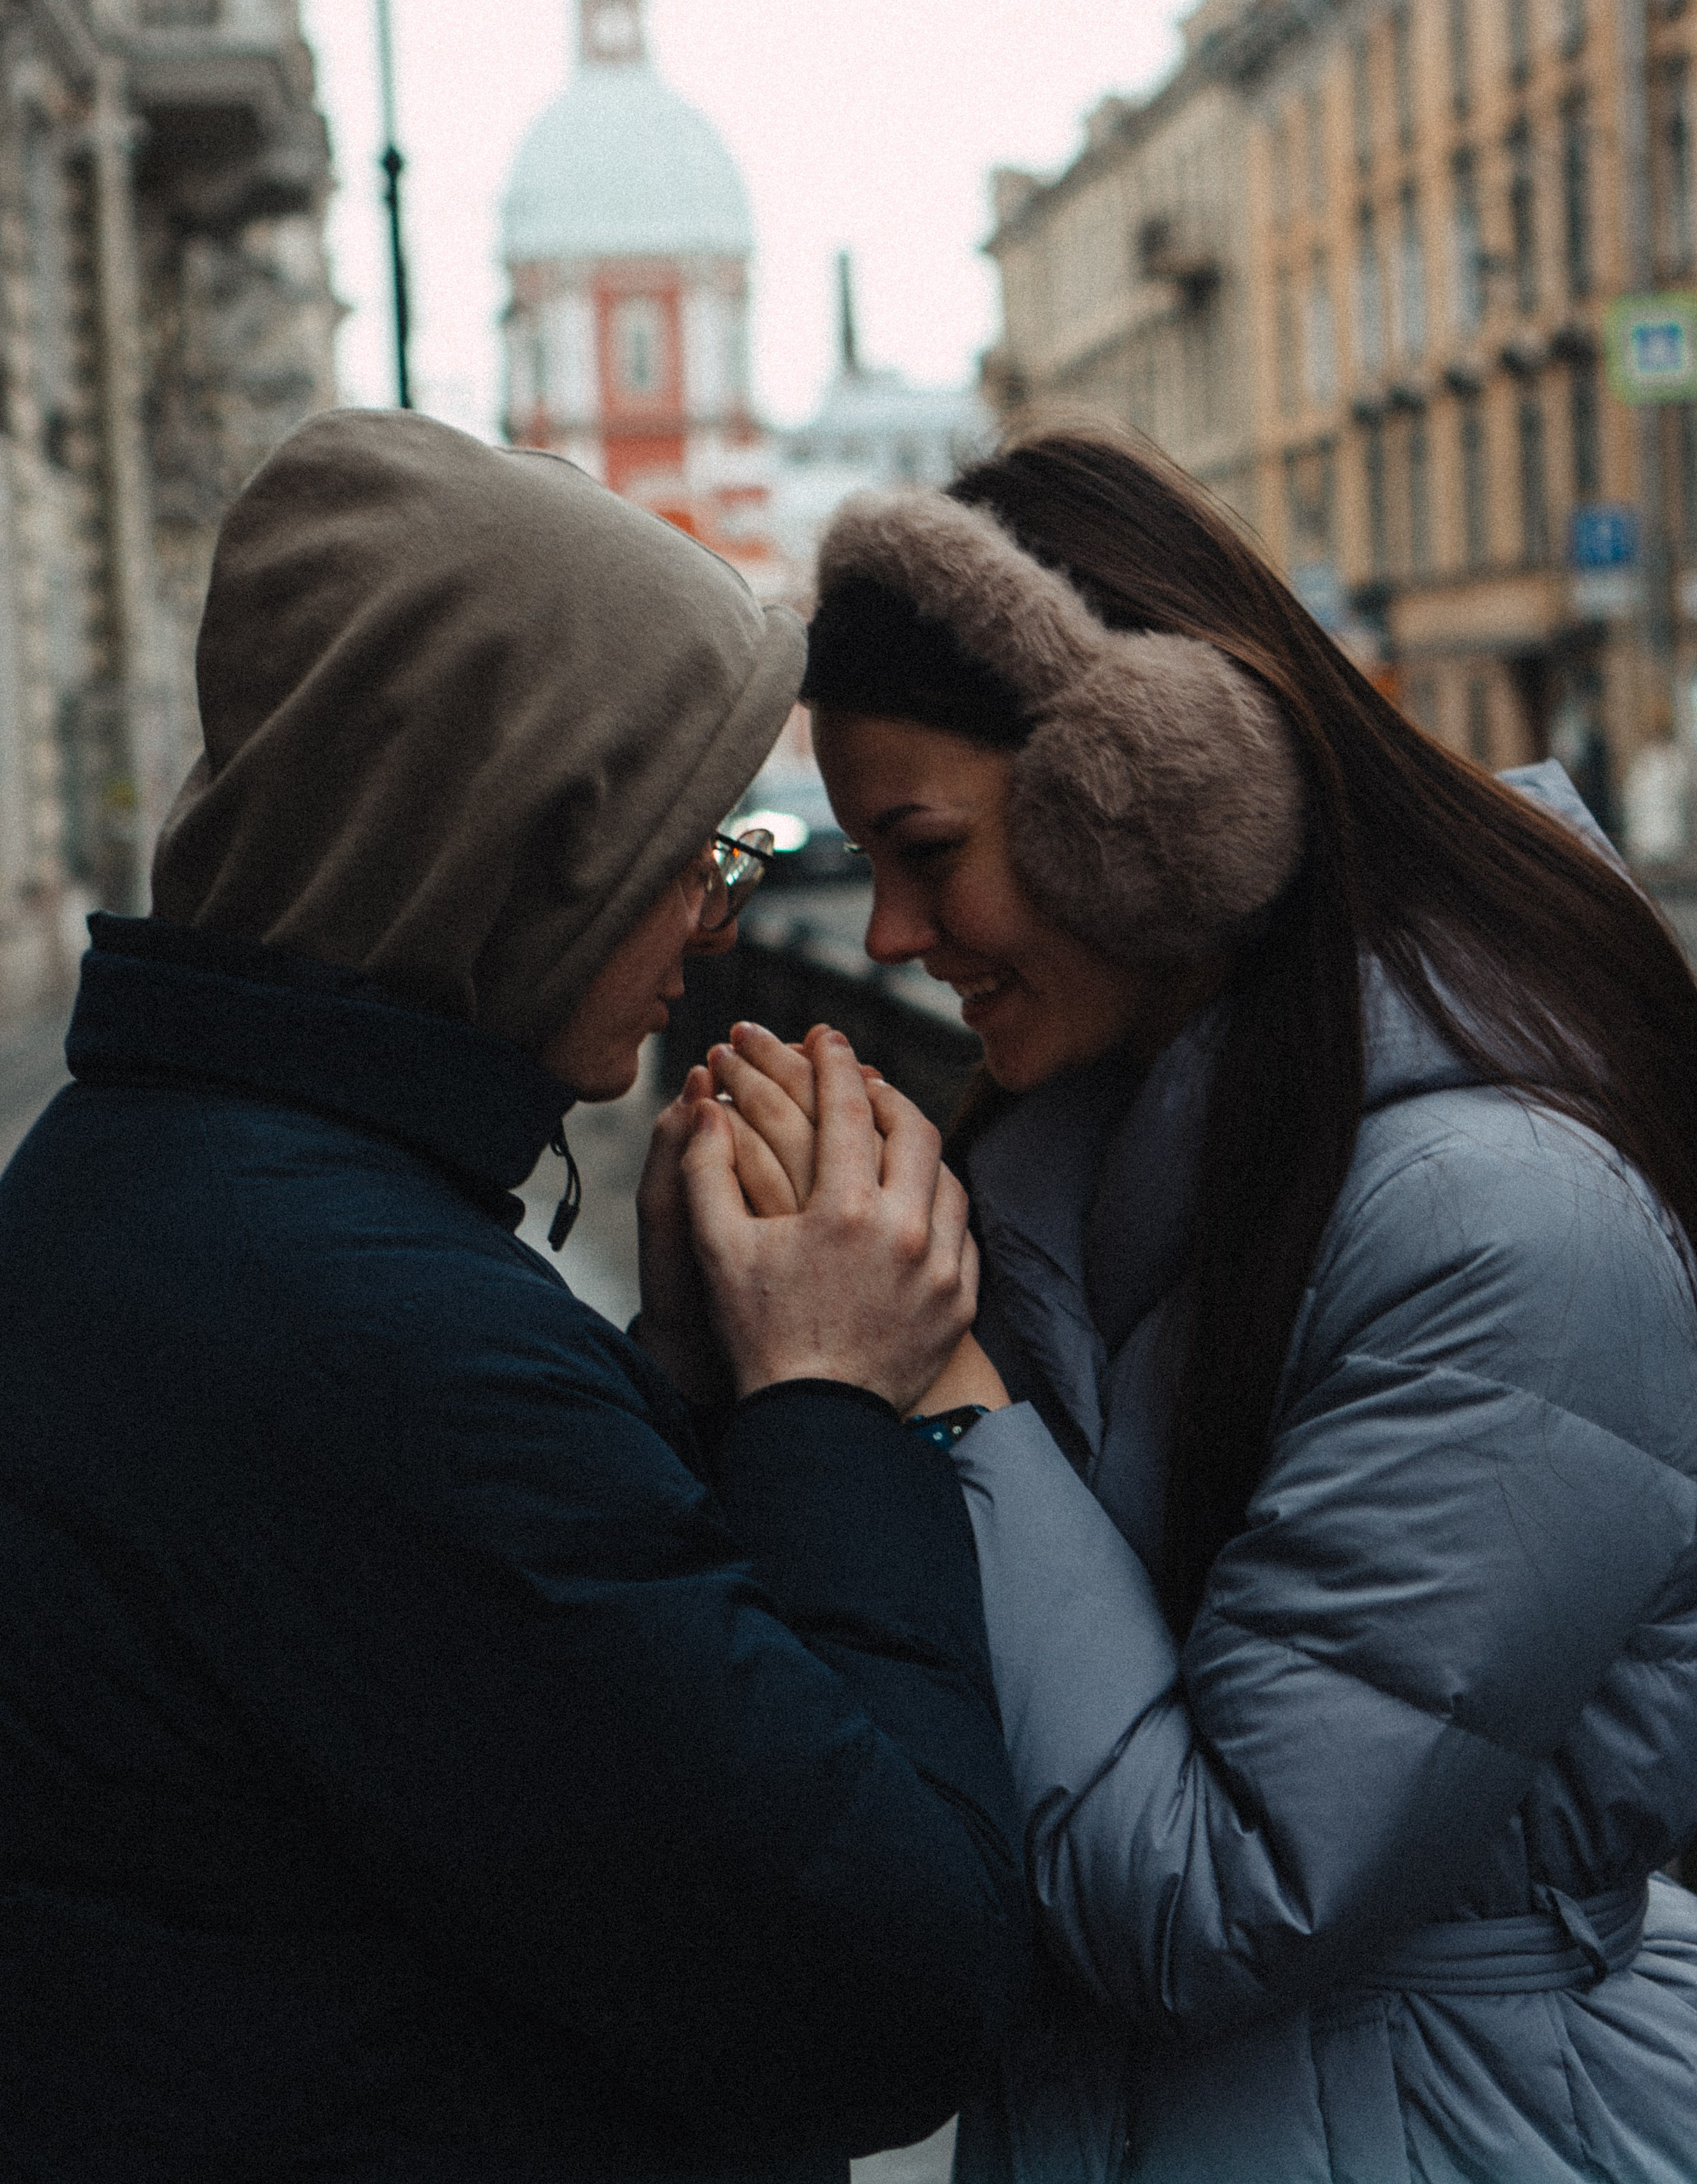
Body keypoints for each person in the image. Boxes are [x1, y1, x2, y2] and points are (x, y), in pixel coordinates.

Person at [707, 430, 1697, 2183]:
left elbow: (1216, 1901)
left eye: (924, 851)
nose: (890, 936)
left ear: (1144, 792)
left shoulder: (1508, 1234)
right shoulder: (1107, 1136)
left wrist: (928, 1381)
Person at [0, 411, 1028, 2184]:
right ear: (526, 846)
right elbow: (882, 1991)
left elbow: (506, 1720)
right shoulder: (369, 1338)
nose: (720, 930)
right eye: (697, 856)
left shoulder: (154, 1177)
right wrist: (834, 1404)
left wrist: (688, 1382)